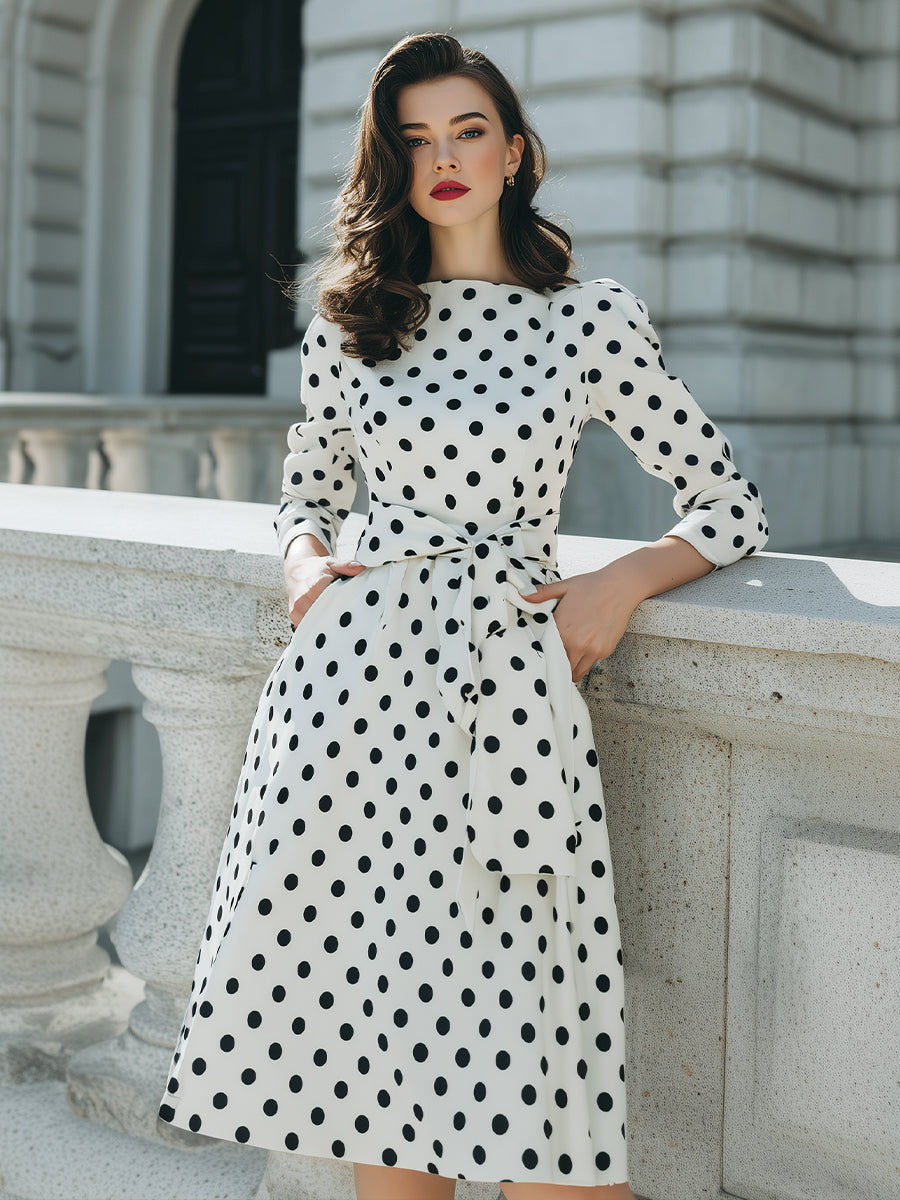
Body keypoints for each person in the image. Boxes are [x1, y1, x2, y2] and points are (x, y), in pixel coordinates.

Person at [158, 31, 768, 1200]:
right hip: (347, 708)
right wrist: (301, 566)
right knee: (378, 1091)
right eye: (415, 139)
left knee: (549, 1113)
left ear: (515, 152)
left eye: (466, 131)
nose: (441, 158)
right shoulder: (350, 319)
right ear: (392, 163)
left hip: (504, 701)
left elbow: (725, 497)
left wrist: (622, 580)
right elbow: (310, 484)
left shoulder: (587, 319)